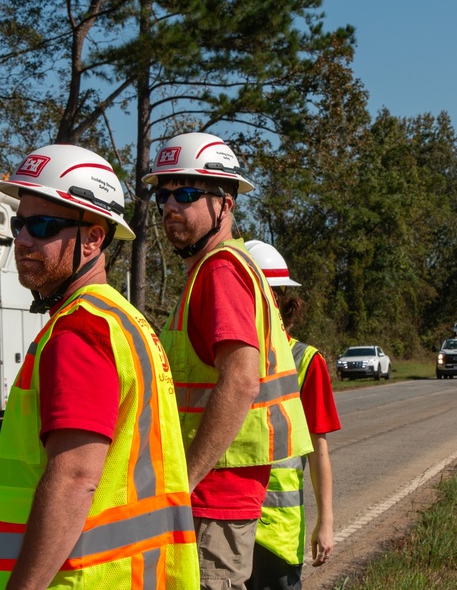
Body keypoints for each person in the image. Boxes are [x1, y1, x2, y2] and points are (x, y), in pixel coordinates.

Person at [0, 144, 199, 589]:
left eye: (43, 226)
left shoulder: (80, 331)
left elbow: (75, 480)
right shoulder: (124, 319)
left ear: (94, 238)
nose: (23, 239)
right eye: (19, 223)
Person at [145, 132, 313, 590]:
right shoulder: (217, 268)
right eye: (162, 194)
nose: (169, 207)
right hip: (217, 494)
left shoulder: (220, 269)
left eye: (186, 193)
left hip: (212, 496)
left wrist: (184, 482)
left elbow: (240, 382)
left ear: (227, 201)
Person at [245, 240, 342, 590]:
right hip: (223, 519)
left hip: (276, 533)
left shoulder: (305, 361)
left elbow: (319, 447)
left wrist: (325, 520)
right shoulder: (220, 357)